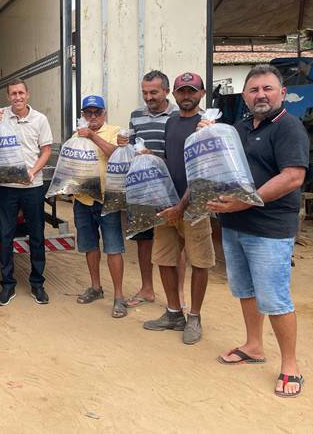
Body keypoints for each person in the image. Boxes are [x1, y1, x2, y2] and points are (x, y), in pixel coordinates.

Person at [209, 64, 308, 397]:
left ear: (282, 93)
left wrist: (245, 201)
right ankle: (254, 346)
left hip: (269, 229)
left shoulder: (289, 128)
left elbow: (293, 177)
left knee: (275, 298)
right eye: (254, 90)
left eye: (268, 88)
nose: (260, 95)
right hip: (235, 225)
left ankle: (291, 365)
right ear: (245, 96)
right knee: (246, 291)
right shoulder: (238, 129)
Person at [142, 72, 215, 345]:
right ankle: (174, 313)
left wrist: (181, 206)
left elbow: (203, 173)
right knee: (164, 259)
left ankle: (194, 316)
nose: (186, 96)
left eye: (191, 91)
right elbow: (172, 160)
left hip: (195, 206)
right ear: (174, 94)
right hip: (168, 203)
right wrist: (151, 158)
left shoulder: (207, 125)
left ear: (202, 94)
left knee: (199, 262)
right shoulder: (171, 121)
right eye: (182, 91)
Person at [118, 70, 186, 309]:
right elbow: (133, 147)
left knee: (176, 242)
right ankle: (147, 289)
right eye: (145, 93)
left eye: (154, 92)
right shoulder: (135, 116)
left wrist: (153, 157)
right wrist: (124, 145)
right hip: (142, 189)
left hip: (171, 189)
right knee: (143, 239)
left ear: (166, 91)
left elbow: (178, 155)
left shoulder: (178, 116)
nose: (149, 97)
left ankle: (179, 294)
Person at [0, 79, 53, 305]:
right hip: (7, 187)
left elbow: (46, 150)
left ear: (28, 94)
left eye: (20, 93)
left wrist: (32, 172)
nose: (17, 97)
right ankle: (7, 285)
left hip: (32, 187)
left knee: (36, 235)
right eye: (13, 94)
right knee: (5, 236)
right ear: (8, 97)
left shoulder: (40, 119)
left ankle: (37, 284)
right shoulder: (0, 116)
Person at [72, 95, 127, 318]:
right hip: (83, 199)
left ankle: (119, 297)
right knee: (89, 246)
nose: (92, 116)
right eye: (88, 112)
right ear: (83, 115)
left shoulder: (115, 132)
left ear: (104, 113)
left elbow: (116, 155)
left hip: (108, 199)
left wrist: (92, 136)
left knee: (113, 248)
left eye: (97, 112)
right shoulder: (75, 135)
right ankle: (96, 287)